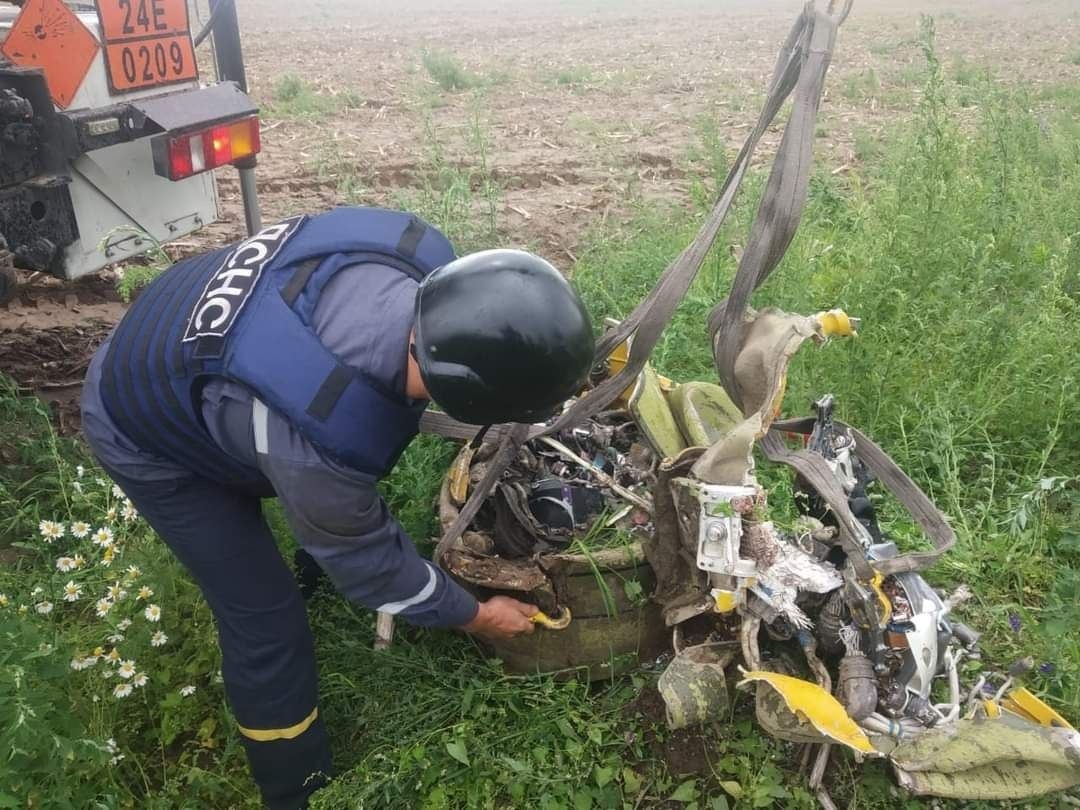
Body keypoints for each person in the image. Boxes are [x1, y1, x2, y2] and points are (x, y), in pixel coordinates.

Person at [79, 206, 595, 809]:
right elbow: (372, 568)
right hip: (138, 413)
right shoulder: (317, 439)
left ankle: (309, 549)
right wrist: (476, 615)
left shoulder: (415, 259)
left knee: (317, 479)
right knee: (264, 618)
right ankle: (295, 788)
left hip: (189, 327)